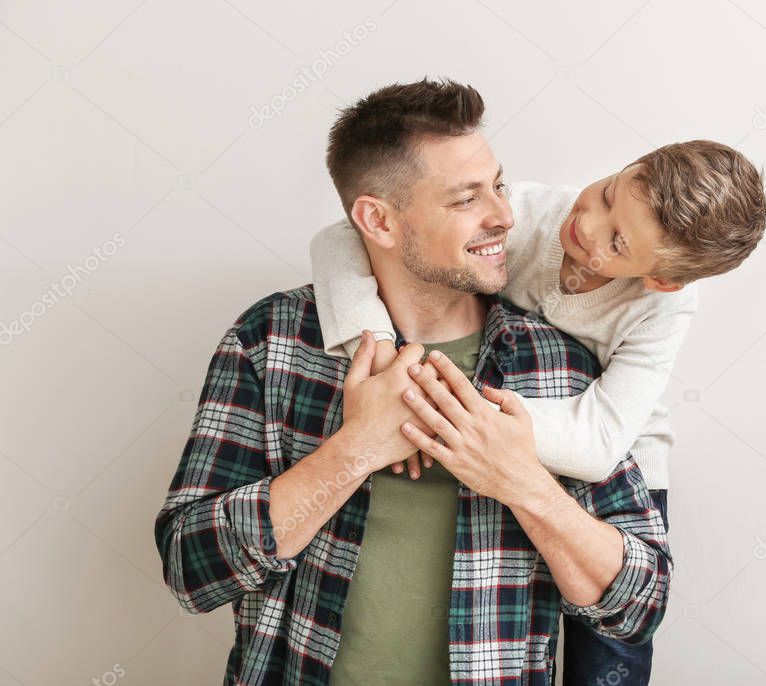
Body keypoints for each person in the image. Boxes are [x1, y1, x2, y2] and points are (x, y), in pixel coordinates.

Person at [154, 78, 671, 686]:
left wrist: (523, 483)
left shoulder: (558, 366)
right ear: (378, 220)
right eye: (466, 199)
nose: (505, 216)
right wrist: (354, 451)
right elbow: (191, 571)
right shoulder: (271, 341)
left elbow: (638, 606)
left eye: (499, 186)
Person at [311, 123, 766, 685]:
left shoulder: (665, 309)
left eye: (618, 241)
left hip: (618, 446)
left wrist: (447, 411)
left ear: (660, 281)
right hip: (511, 396)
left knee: (610, 653)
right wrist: (379, 350)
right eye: (606, 193)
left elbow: (601, 443)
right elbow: (338, 239)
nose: (587, 224)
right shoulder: (524, 211)